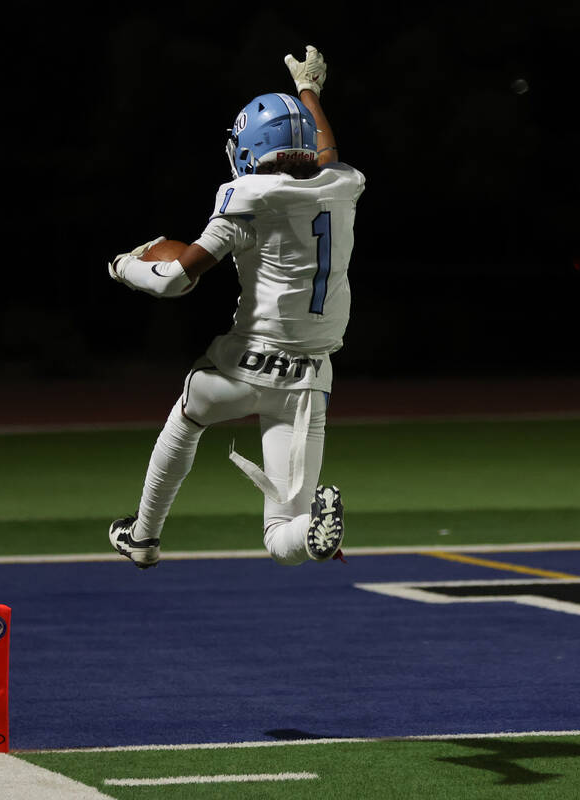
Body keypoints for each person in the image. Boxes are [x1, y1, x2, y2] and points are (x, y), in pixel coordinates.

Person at [106, 45, 366, 569]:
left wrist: (125, 266)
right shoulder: (342, 184)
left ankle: (144, 536)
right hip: (309, 376)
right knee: (280, 536)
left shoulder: (246, 197)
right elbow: (327, 152)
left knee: (186, 415)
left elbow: (176, 281)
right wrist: (309, 92)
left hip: (246, 363)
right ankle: (310, 530)